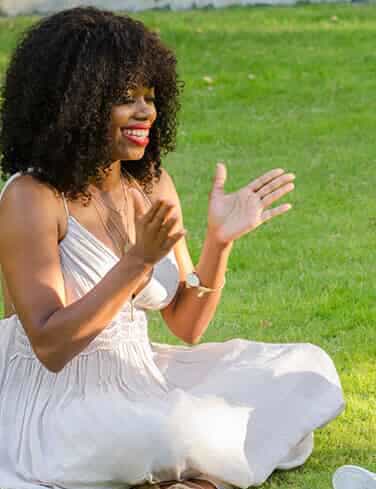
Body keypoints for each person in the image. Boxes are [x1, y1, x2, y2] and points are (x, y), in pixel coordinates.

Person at [0, 6, 345, 489]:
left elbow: (186, 325)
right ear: (74, 102)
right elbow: (50, 346)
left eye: (150, 96)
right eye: (126, 98)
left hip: (143, 373)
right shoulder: (31, 197)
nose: (147, 112)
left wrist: (218, 245)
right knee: (169, 431)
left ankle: (184, 476)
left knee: (307, 369)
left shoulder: (151, 184)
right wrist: (136, 263)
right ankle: (192, 473)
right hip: (58, 397)